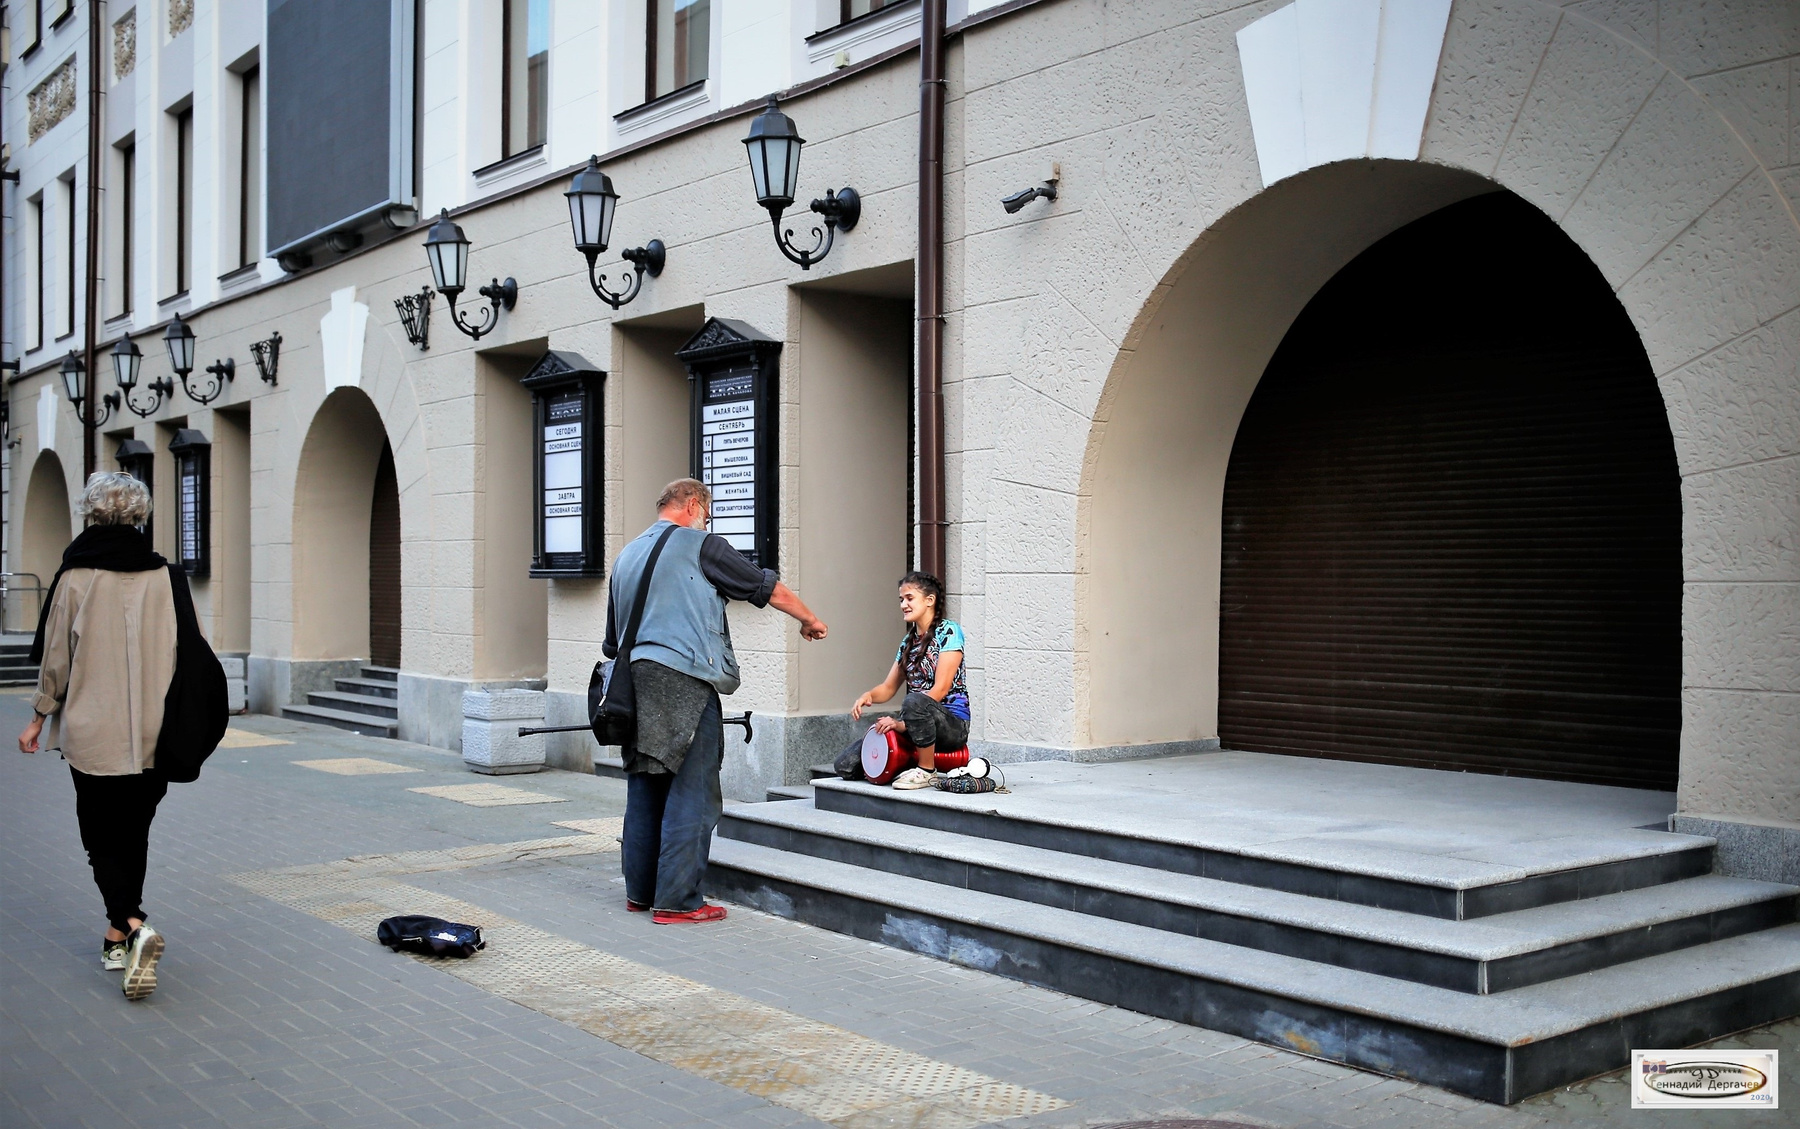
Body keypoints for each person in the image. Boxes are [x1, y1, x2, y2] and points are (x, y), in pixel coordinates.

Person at [608, 479, 827, 923]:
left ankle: (640, 892)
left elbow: (613, 641)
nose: (706, 523)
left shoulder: (626, 554)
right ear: (693, 505)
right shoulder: (702, 545)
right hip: (684, 680)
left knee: (646, 786)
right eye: (706, 515)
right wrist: (810, 619)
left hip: (634, 683)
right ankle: (678, 901)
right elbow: (766, 587)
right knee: (693, 791)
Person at [17, 471, 177, 1000]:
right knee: (134, 833)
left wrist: (40, 715)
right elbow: (192, 651)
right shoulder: (167, 576)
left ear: (91, 513)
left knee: (100, 837)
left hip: (93, 731)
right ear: (140, 515)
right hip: (157, 732)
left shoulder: (75, 576)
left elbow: (57, 656)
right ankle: (117, 935)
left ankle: (132, 925)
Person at [851, 571, 970, 787]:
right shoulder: (908, 641)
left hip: (951, 726)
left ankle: (927, 770)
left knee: (914, 700)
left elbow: (941, 689)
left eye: (909, 598)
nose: (903, 605)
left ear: (929, 600)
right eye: (901, 599)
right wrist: (868, 696)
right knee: (847, 765)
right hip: (915, 724)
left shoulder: (949, 631)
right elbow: (888, 688)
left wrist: (902, 724)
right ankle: (906, 763)